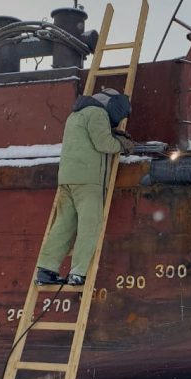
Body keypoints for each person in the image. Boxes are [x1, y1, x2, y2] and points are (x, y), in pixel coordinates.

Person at [35, 89, 135, 286]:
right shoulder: (97, 113)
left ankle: (46, 270)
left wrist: (113, 133)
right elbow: (104, 143)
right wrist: (123, 143)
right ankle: (78, 273)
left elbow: (88, 139)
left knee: (64, 225)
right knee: (90, 225)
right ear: (112, 106)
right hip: (89, 180)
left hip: (67, 178)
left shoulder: (76, 114)